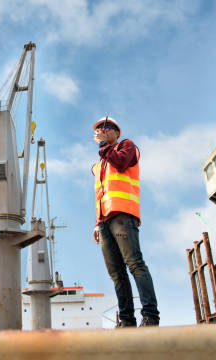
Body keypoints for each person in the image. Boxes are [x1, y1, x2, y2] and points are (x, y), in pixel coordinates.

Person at [91, 117, 160, 327]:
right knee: (117, 274)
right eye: (99, 129)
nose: (102, 130)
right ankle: (126, 320)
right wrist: (97, 223)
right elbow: (101, 194)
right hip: (104, 220)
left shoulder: (127, 147)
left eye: (107, 127)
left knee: (135, 264)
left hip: (123, 214)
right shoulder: (98, 165)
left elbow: (121, 162)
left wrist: (104, 146)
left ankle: (150, 316)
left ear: (117, 133)